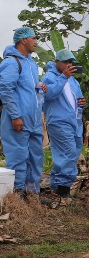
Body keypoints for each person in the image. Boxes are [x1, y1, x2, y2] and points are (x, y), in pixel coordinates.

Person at [0, 27, 45, 198]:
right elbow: (5, 90)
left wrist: (39, 87)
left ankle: (32, 192)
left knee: (35, 157)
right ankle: (17, 195)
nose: (36, 42)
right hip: (17, 119)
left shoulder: (31, 64)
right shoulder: (11, 62)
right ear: (23, 40)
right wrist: (15, 115)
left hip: (33, 120)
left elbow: (26, 89)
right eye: (34, 38)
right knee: (18, 156)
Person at [41, 49, 85, 206]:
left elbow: (77, 99)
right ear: (57, 62)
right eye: (66, 61)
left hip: (74, 121)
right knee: (67, 152)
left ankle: (57, 186)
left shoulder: (73, 81)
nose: (69, 65)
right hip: (58, 121)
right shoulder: (50, 77)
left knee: (73, 152)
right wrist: (63, 77)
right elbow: (49, 94)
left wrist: (82, 104)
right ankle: (64, 190)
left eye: (71, 62)